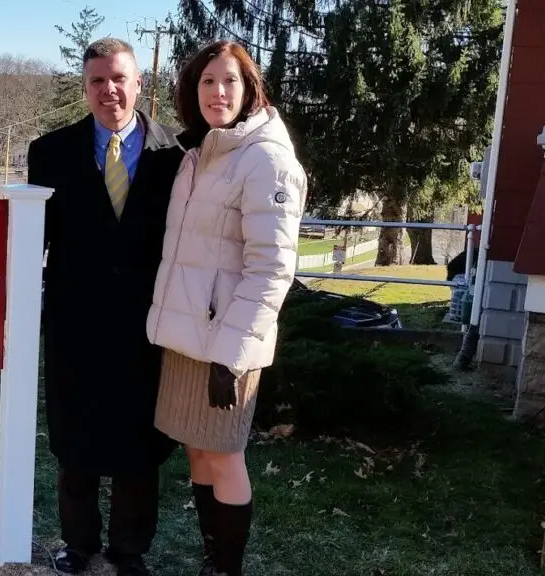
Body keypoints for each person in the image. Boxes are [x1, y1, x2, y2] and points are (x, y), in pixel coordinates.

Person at [26, 37, 194, 576]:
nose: (109, 90)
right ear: (84, 88)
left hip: (149, 324)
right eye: (97, 81)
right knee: (74, 440)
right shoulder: (48, 152)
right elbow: (34, 242)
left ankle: (129, 551)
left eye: (119, 78)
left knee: (139, 444)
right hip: (76, 321)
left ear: (139, 83)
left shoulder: (178, 154)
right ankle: (77, 544)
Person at [145, 40, 308, 576]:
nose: (218, 91)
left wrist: (232, 354)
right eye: (207, 81)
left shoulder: (266, 160)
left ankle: (226, 569)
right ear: (194, 90)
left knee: (224, 455)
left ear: (250, 88)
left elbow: (271, 269)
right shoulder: (203, 154)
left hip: (226, 344)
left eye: (230, 81)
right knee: (197, 450)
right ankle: (211, 557)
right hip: (186, 337)